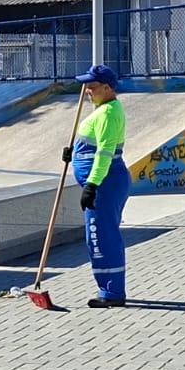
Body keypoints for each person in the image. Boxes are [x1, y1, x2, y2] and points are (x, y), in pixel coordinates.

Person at [62, 64, 130, 307]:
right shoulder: (103, 109)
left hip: (106, 182)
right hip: (105, 181)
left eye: (92, 87)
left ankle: (112, 293)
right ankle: (110, 289)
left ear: (107, 87)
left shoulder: (109, 113)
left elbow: (104, 153)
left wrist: (92, 184)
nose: (87, 91)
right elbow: (92, 147)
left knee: (101, 237)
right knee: (99, 236)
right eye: (86, 87)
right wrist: (76, 153)